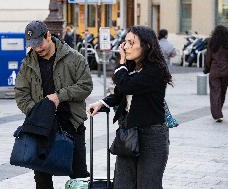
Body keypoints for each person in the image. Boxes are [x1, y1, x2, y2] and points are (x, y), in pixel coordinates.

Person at [88, 26, 172, 189]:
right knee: (122, 184)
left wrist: (121, 64)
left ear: (147, 46)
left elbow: (127, 86)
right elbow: (120, 93)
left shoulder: (156, 70)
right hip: (128, 132)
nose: (125, 47)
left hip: (152, 135)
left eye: (131, 43)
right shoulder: (131, 67)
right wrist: (102, 103)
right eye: (124, 42)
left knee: (147, 185)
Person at [14, 20, 93, 189]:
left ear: (48, 35)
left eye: (39, 43)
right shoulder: (27, 64)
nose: (37, 48)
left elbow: (86, 86)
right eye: (33, 45)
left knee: (79, 176)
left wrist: (59, 96)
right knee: (42, 178)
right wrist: (38, 112)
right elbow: (21, 94)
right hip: (41, 127)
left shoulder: (74, 58)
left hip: (72, 124)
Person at [203, 25, 228, 123]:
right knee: (222, 92)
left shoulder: (211, 42)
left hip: (214, 71)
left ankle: (217, 114)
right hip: (226, 71)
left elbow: (208, 58)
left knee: (215, 92)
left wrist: (207, 68)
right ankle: (219, 112)